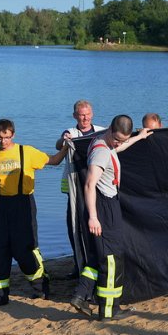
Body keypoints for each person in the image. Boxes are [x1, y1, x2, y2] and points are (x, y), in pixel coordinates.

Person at [0, 119, 69, 308]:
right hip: (0, 206)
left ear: (13, 135)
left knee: (24, 250)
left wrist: (66, 147)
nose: (3, 142)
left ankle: (40, 286)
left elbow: (54, 161)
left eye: (6, 138)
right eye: (0, 138)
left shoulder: (28, 152)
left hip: (23, 204)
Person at [69, 115, 152, 320]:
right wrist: (94, 217)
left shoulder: (104, 142)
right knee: (112, 259)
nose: (119, 143)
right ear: (110, 131)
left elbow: (116, 149)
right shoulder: (100, 153)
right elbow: (89, 184)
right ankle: (109, 310)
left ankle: (81, 294)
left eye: (122, 140)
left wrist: (138, 138)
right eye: (117, 139)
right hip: (104, 206)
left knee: (100, 256)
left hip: (106, 204)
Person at [56, 100, 105, 278]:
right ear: (75, 115)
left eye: (87, 114)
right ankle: (79, 265)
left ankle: (96, 263)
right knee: (75, 228)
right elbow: (58, 145)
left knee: (96, 226)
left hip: (96, 187)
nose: (85, 118)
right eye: (81, 115)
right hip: (74, 188)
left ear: (92, 114)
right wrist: (64, 140)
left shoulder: (101, 131)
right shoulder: (71, 133)